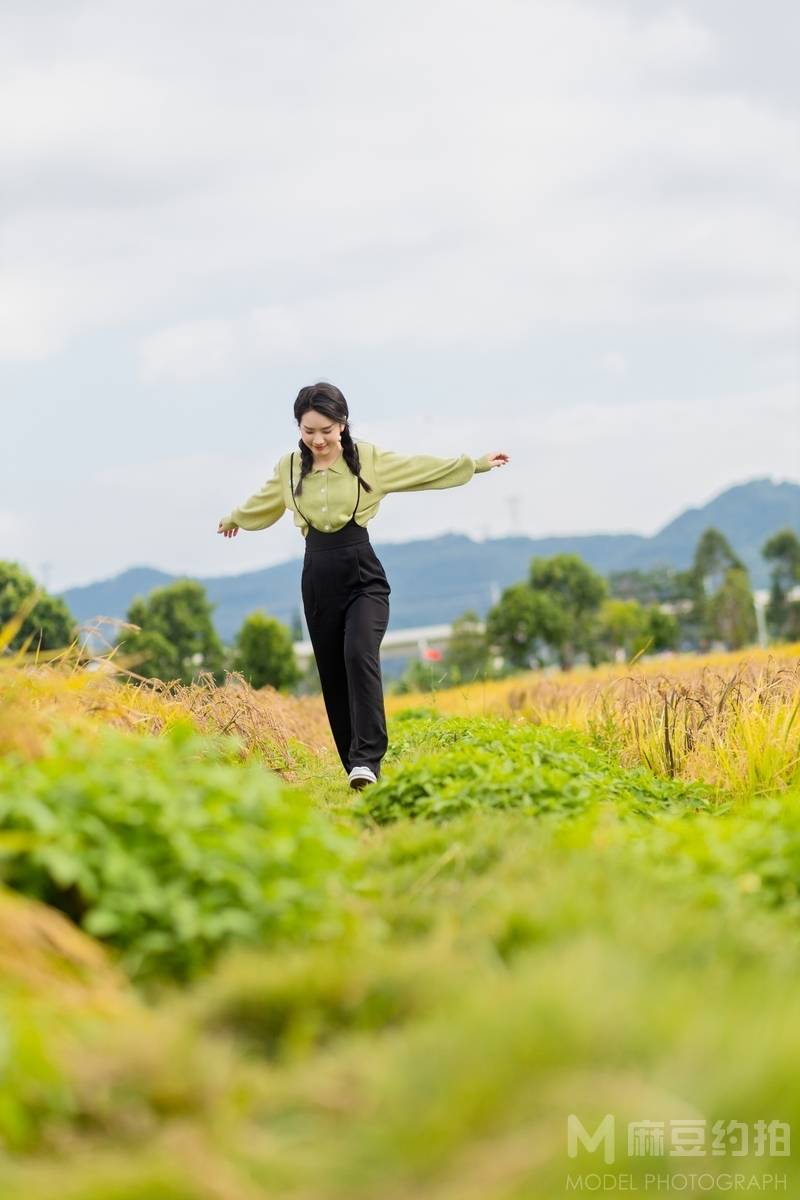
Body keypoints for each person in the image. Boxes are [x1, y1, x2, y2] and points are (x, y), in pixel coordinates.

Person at [217, 382, 510, 789]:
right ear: (299, 429)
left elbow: (420, 470)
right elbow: (265, 502)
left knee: (358, 653)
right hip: (317, 578)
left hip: (362, 575)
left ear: (342, 425)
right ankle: (355, 766)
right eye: (308, 431)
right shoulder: (289, 468)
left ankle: (368, 757)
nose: (318, 440)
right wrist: (235, 518)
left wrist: (474, 464)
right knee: (333, 672)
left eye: (326, 429)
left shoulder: (367, 460)